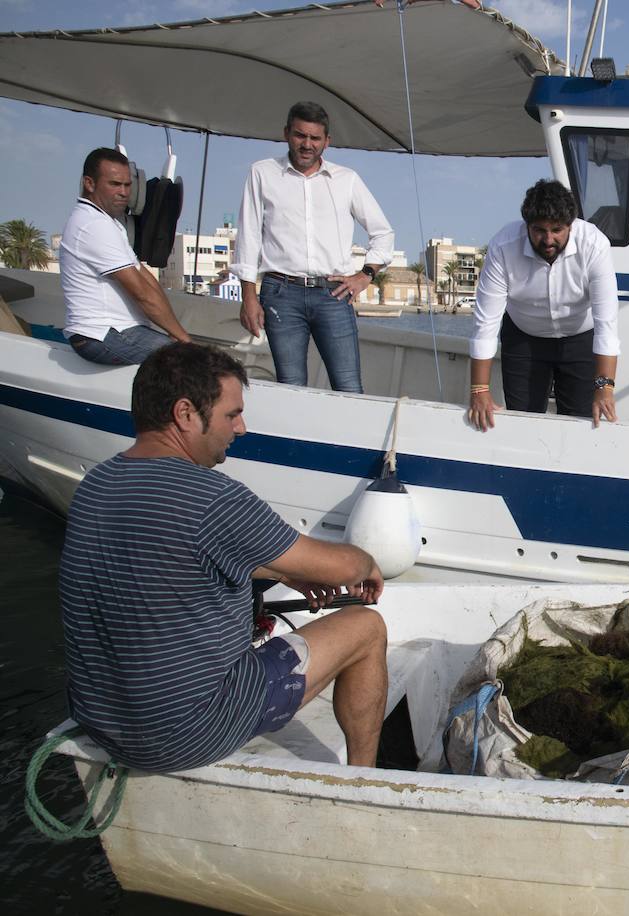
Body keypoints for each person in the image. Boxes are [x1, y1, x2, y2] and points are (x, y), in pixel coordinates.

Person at [60, 342, 389, 772]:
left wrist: (281, 570)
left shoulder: (96, 484)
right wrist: (367, 563)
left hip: (103, 723)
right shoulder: (214, 498)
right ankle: (364, 777)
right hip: (188, 734)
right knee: (366, 626)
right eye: (231, 414)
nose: (242, 428)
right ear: (185, 414)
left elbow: (168, 556)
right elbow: (343, 569)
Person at [232, 101, 394, 393]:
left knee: (349, 387)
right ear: (287, 134)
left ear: (326, 141)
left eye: (315, 138)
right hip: (281, 293)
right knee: (291, 387)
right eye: (300, 135)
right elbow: (249, 236)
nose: (307, 144)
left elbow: (383, 233)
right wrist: (248, 296)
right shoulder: (262, 173)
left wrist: (366, 274)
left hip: (333, 293)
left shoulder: (347, 180)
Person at [467, 179, 619, 431]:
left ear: (571, 226)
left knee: (580, 424)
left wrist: (605, 388)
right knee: (523, 423)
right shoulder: (502, 246)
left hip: (579, 339)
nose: (548, 239)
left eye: (557, 230)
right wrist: (479, 389)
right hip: (523, 339)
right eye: (539, 230)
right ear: (526, 226)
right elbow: (486, 323)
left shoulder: (594, 245)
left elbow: (607, 325)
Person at [59, 148, 193, 365]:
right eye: (114, 184)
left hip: (120, 330)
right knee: (191, 363)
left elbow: (146, 279)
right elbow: (142, 295)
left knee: (189, 356)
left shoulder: (110, 224)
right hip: (101, 335)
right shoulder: (93, 225)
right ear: (89, 184)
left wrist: (176, 333)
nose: (123, 192)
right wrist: (184, 339)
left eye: (128, 185)